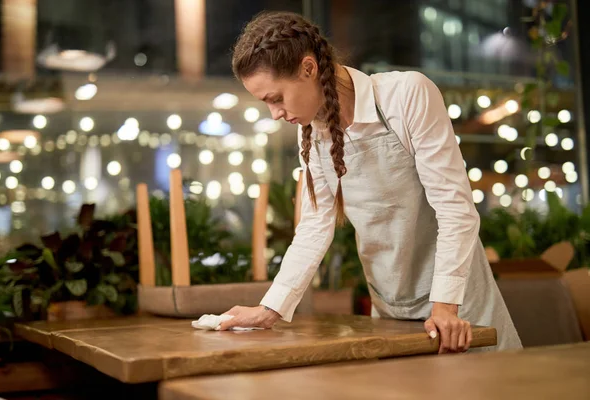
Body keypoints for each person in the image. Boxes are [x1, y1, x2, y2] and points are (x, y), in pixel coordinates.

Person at [217, 10, 522, 353]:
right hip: (390, 306)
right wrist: (268, 309)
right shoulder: (313, 135)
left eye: (276, 98)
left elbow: (456, 209)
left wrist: (446, 306)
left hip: (458, 306)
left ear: (308, 68)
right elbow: (315, 228)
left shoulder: (406, 96)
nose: (274, 114)